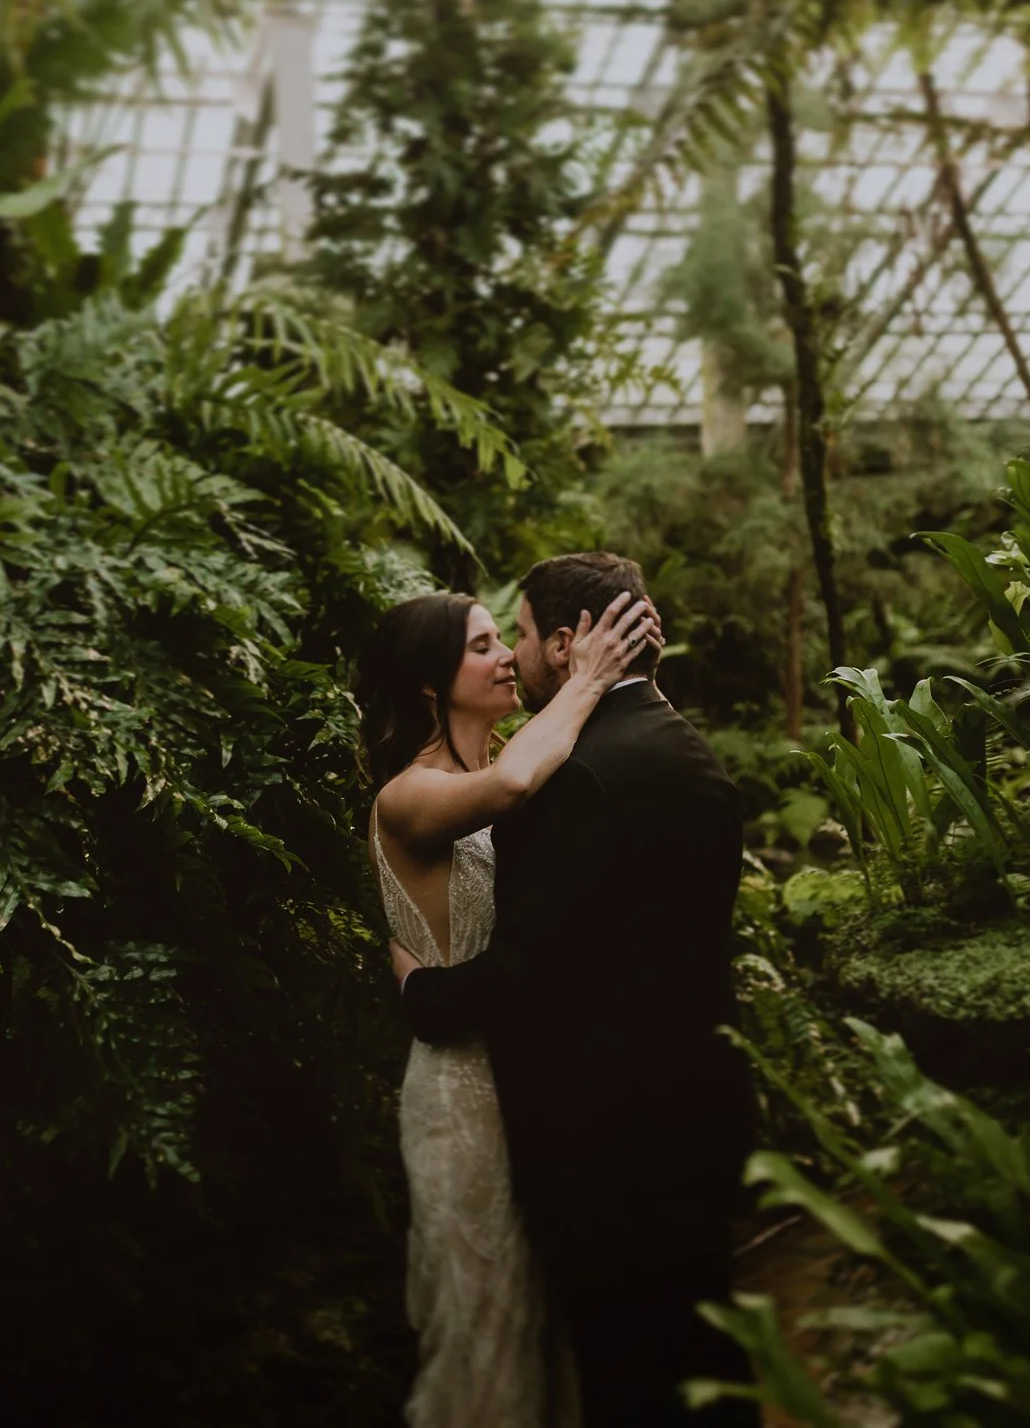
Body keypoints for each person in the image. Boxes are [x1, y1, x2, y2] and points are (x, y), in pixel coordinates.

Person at [393, 552, 758, 1428]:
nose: (513, 655)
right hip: (700, 1108)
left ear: (566, 645)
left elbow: (530, 969)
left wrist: (422, 994)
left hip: (610, 1139)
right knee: (705, 1352)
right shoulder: (685, 750)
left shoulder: (579, 776)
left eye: (516, 635)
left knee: (628, 1368)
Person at [356, 584, 662, 1427]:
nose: (505, 660)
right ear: (429, 683)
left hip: (530, 1079)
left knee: (542, 1320)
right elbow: (521, 779)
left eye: (503, 639)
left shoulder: (483, 773)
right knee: (483, 1318)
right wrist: (590, 679)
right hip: (463, 1091)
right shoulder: (408, 793)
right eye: (484, 645)